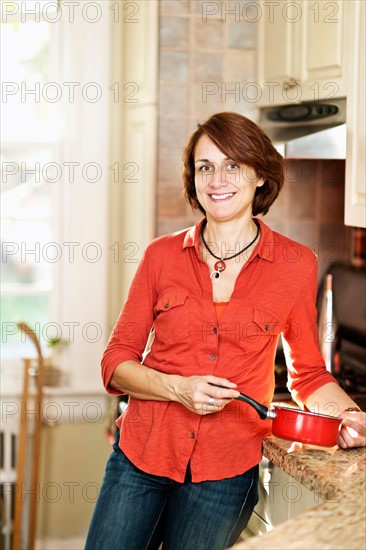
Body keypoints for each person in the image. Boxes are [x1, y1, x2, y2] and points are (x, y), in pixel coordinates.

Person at [85, 112, 365, 550]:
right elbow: (115, 362)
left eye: (233, 165)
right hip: (140, 459)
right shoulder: (161, 257)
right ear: (194, 179)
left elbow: (308, 374)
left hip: (224, 473)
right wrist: (178, 388)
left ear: (259, 175)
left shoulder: (295, 265)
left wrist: (348, 417)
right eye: (205, 166)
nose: (218, 179)